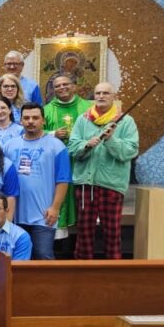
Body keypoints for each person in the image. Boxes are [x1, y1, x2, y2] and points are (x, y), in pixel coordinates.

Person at [68, 82, 139, 260]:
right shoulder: (83, 120)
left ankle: (113, 268)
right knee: (84, 230)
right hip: (86, 184)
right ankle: (83, 268)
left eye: (105, 93)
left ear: (113, 96)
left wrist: (111, 140)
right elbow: (72, 147)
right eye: (98, 93)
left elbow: (130, 150)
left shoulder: (126, 121)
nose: (101, 96)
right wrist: (86, 145)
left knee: (112, 230)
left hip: (111, 184)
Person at [3, 103, 72, 260]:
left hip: (43, 214)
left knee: (43, 255)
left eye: (35, 118)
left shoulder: (57, 146)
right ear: (20, 121)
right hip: (15, 214)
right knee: (16, 257)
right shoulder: (9, 146)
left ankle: (49, 286)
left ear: (43, 121)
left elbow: (63, 180)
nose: (30, 121)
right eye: (26, 118)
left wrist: (55, 207)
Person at [43, 74, 93, 235]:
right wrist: (52, 133)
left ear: (74, 86)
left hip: (82, 162)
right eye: (57, 86)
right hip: (56, 163)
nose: (62, 88)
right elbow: (34, 131)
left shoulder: (88, 108)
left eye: (66, 84)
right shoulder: (47, 110)